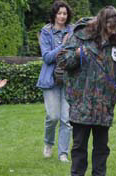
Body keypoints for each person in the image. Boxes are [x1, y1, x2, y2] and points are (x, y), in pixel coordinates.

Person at [57, 6, 116, 176]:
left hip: (104, 103)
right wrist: (77, 54)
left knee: (102, 146)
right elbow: (62, 61)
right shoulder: (79, 36)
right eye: (110, 27)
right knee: (79, 145)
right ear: (102, 23)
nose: (113, 31)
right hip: (81, 100)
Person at [37, 1, 73, 161]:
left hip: (68, 79)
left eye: (65, 14)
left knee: (66, 118)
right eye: (59, 13)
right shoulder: (46, 32)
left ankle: (63, 153)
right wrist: (63, 46)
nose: (62, 16)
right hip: (50, 79)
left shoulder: (72, 31)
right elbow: (47, 57)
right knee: (53, 116)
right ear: (54, 14)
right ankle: (48, 143)